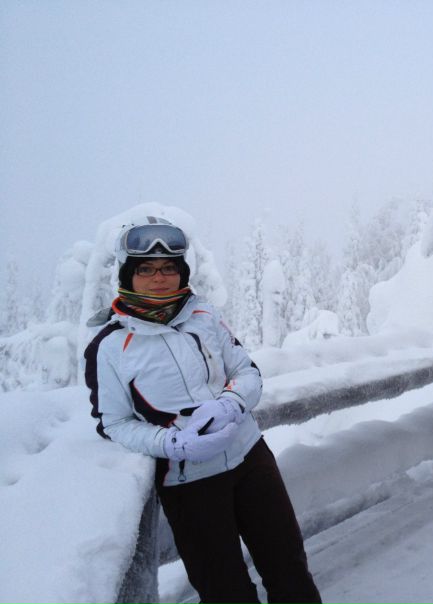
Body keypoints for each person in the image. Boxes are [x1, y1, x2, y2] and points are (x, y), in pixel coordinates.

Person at [84, 216, 321, 604]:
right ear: (128, 275)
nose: (159, 278)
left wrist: (231, 404)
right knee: (225, 591)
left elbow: (247, 371)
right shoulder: (109, 347)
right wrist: (173, 444)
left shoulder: (203, 316)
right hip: (189, 483)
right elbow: (114, 424)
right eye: (146, 269)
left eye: (168, 268)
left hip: (250, 460)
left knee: (290, 568)